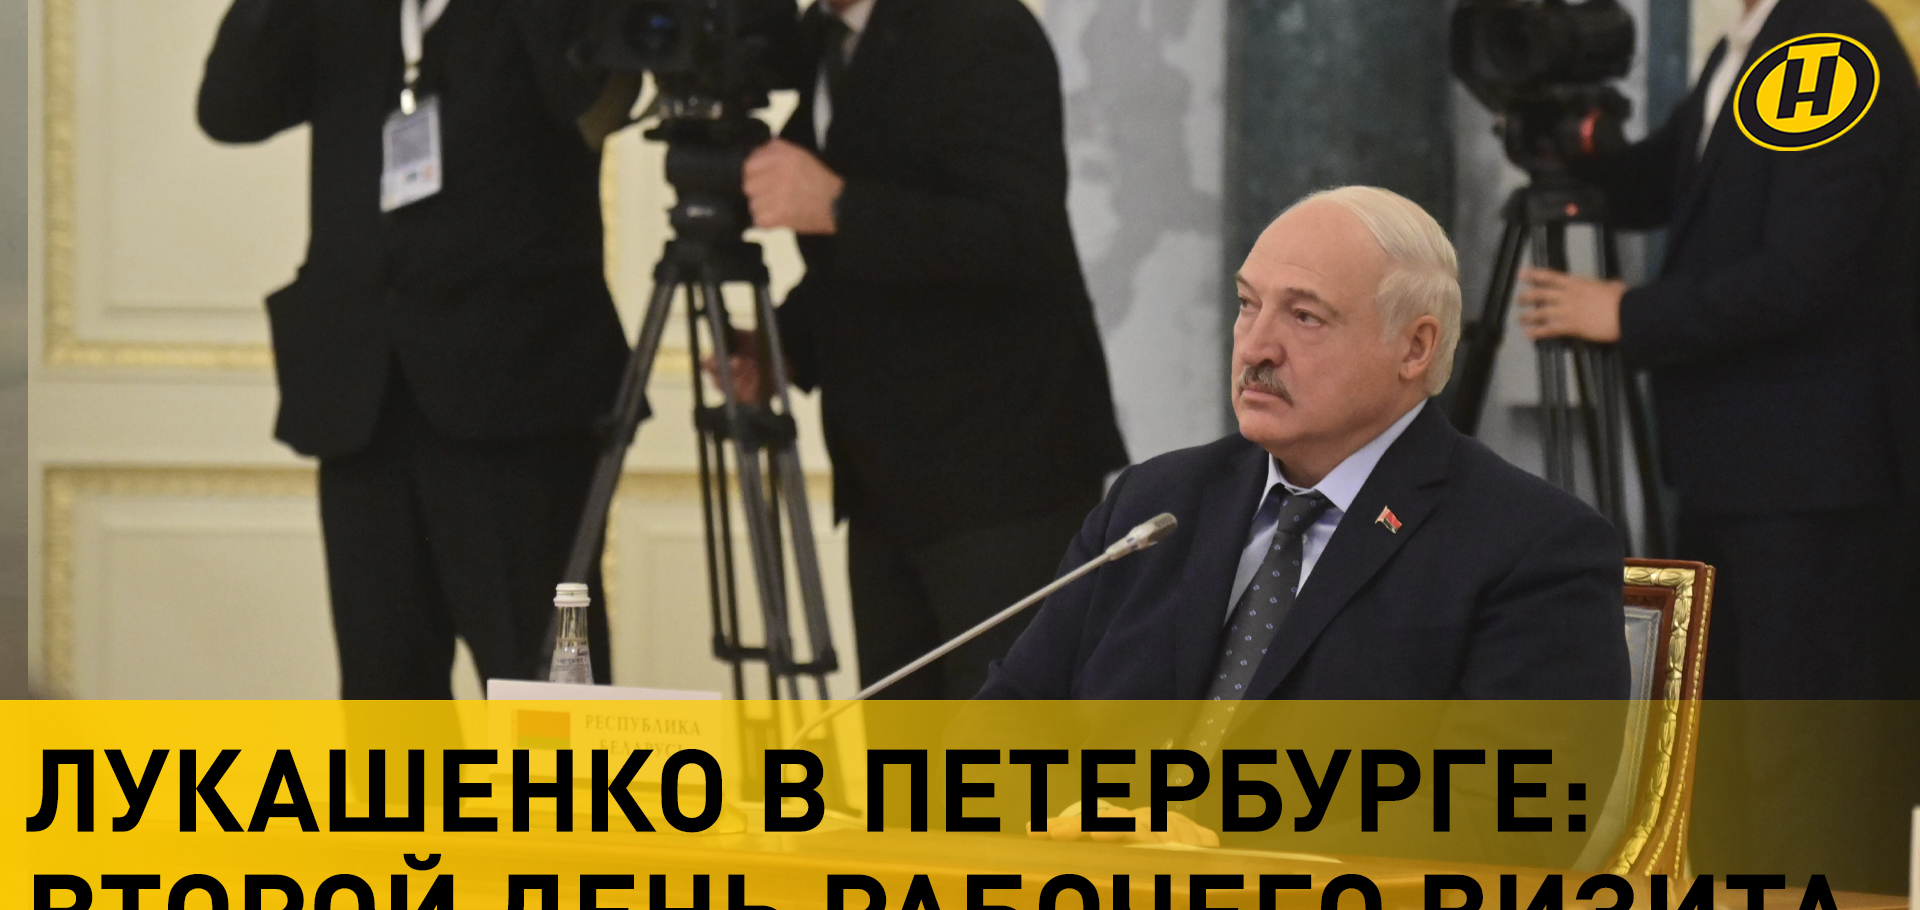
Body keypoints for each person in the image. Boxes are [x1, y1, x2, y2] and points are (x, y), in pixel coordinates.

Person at [974, 186, 1630, 706]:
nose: (1256, 347)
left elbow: (1511, 807)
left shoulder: (1531, 548)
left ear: (1415, 347)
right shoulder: (1153, 507)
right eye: (1247, 304)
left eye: (1305, 316)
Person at [198, 0, 628, 697]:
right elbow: (231, 109)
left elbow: (593, 103)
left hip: (518, 397)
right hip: (364, 394)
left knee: (549, 702)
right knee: (385, 701)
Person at [725, 0, 1129, 708]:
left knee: (1002, 755)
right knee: (897, 756)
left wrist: (840, 205)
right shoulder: (822, 37)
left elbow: (1021, 237)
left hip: (1001, 472)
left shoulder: (982, 27)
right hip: (884, 477)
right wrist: (785, 349)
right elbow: (859, 258)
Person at [1516, 0, 1920, 700]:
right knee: (1726, 733)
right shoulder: (1757, 40)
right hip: (1738, 469)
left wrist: (1627, 313)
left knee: (1795, 742)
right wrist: (1561, 133)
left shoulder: (1828, 45)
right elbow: (1663, 182)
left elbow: (1802, 274)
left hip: (1808, 480)